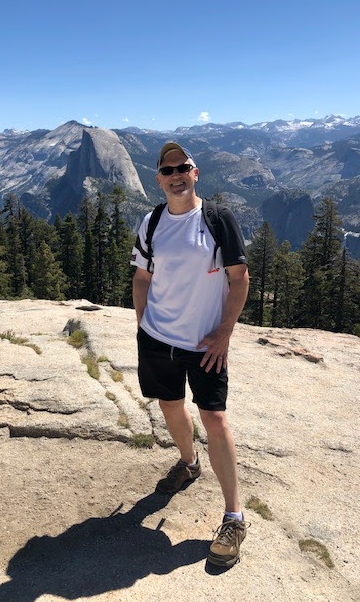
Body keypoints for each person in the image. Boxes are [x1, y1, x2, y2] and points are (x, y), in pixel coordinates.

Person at [131, 141, 250, 567]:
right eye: (168, 171)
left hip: (204, 343)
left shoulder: (218, 219)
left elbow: (240, 278)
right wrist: (143, 325)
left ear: (195, 173)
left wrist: (224, 334)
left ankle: (234, 517)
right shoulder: (152, 222)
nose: (176, 175)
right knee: (169, 405)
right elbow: (142, 277)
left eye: (183, 168)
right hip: (158, 338)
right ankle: (189, 462)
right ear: (159, 180)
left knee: (214, 418)